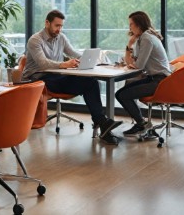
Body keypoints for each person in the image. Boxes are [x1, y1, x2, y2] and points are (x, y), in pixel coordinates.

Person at [22, 10, 123, 145]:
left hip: (56, 76)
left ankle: (102, 123)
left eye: (61, 26)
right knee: (88, 84)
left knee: (91, 82)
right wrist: (64, 64)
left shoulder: (61, 38)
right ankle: (103, 123)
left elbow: (73, 53)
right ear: (47, 23)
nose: (59, 29)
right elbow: (43, 63)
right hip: (38, 79)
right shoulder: (35, 40)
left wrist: (87, 58)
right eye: (57, 25)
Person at [115, 11, 172, 137]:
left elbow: (138, 66)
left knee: (123, 95)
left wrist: (133, 63)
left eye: (131, 24)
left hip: (160, 81)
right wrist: (129, 44)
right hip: (153, 78)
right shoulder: (143, 37)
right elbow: (130, 62)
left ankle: (142, 124)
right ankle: (141, 123)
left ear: (139, 25)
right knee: (120, 93)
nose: (129, 27)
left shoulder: (147, 38)